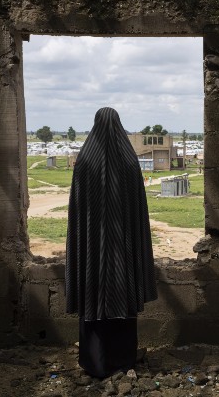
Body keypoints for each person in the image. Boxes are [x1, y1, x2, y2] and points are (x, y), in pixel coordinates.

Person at [65, 107, 158, 378]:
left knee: (94, 292)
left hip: (91, 253)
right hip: (123, 253)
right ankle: (122, 360)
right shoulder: (129, 163)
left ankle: (94, 362)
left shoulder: (84, 162)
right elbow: (136, 214)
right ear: (119, 126)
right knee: (122, 293)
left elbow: (79, 216)